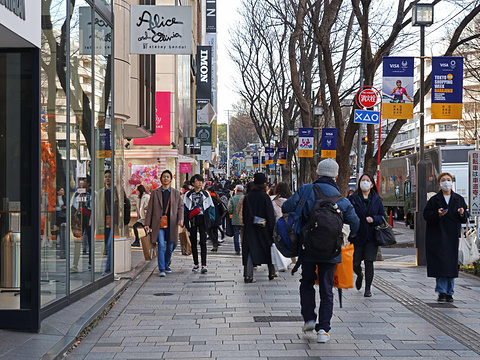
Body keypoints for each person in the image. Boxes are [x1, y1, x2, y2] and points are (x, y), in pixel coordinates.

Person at [282, 159, 359, 343]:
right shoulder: (342, 200)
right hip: (332, 250)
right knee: (327, 287)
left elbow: (286, 207)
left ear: (317, 172)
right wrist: (348, 235)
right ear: (336, 175)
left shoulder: (306, 190)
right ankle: (324, 329)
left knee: (307, 281)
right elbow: (355, 223)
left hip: (307, 248)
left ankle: (309, 318)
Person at [423, 172, 468, 303]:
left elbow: (464, 217)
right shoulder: (434, 200)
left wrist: (461, 213)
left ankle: (450, 292)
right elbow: (426, 215)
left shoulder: (458, 199)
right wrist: (437, 214)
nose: (446, 182)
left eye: (448, 180)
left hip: (452, 236)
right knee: (441, 265)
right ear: (439, 183)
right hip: (437, 236)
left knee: (451, 266)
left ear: (452, 182)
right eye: (443, 180)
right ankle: (441, 291)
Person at [348, 173, 385, 298]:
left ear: (372, 184)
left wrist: (374, 219)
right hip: (357, 235)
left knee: (369, 262)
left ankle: (368, 288)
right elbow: (348, 214)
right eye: (362, 180)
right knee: (355, 262)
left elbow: (382, 216)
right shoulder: (353, 198)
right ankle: (359, 275)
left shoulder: (376, 199)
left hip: (371, 236)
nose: (365, 182)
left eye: (367, 180)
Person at [144, 170, 184, 277]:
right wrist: (147, 223)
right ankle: (161, 268)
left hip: (172, 223)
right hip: (158, 223)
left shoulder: (175, 193)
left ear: (171, 179)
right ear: (161, 179)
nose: (166, 178)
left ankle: (166, 264)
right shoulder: (155, 193)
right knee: (161, 245)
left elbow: (180, 207)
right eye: (164, 177)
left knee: (171, 245)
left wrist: (181, 219)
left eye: (168, 177)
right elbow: (150, 209)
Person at [242, 173, 276, 283]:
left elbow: (245, 214)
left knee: (250, 250)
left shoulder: (248, 197)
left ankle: (248, 275)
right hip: (264, 228)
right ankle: (271, 271)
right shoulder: (265, 197)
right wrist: (272, 229)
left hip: (250, 228)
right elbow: (270, 214)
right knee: (268, 249)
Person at [183, 174, 215, 274]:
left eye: (201, 181)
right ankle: (196, 263)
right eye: (197, 181)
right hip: (192, 219)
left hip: (203, 219)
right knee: (193, 242)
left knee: (203, 242)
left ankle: (204, 265)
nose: (200, 183)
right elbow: (185, 209)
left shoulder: (205, 194)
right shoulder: (188, 194)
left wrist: (210, 219)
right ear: (193, 183)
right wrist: (185, 221)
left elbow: (211, 207)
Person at [95, 170, 119, 276]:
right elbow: (97, 208)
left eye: (109, 176)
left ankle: (108, 268)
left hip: (115, 223)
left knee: (110, 245)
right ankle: (110, 266)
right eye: (106, 177)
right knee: (107, 246)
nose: (107, 178)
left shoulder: (117, 191)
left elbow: (124, 204)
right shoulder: (101, 192)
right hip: (104, 222)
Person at [271, 182, 294, 270]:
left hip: (278, 225)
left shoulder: (273, 201)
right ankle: (293, 261)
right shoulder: (292, 201)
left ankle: (281, 263)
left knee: (279, 243)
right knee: (291, 242)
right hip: (290, 224)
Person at [70, 178, 92, 272]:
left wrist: (92, 218)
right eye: (80, 181)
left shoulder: (91, 193)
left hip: (88, 217)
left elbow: (94, 206)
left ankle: (91, 262)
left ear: (88, 183)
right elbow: (73, 205)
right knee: (77, 242)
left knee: (90, 242)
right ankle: (75, 264)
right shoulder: (76, 193)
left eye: (84, 181)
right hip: (78, 219)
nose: (82, 183)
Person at [207, 187, 226, 252]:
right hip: (217, 217)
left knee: (209, 231)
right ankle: (215, 245)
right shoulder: (217, 197)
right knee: (215, 231)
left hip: (211, 217)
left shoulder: (209, 198)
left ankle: (215, 243)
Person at [228, 184, 244, 255]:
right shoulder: (245, 198)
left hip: (235, 219)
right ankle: (244, 248)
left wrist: (232, 213)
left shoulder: (232, 198)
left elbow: (229, 209)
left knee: (236, 235)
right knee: (244, 235)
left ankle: (237, 249)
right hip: (244, 220)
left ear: (236, 190)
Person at [54, 187, 67, 259]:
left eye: (63, 190)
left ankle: (61, 239)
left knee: (62, 227)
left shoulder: (64, 198)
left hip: (62, 214)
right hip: (57, 213)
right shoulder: (55, 198)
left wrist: (64, 207)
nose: (62, 191)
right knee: (57, 227)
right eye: (61, 190)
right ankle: (57, 239)